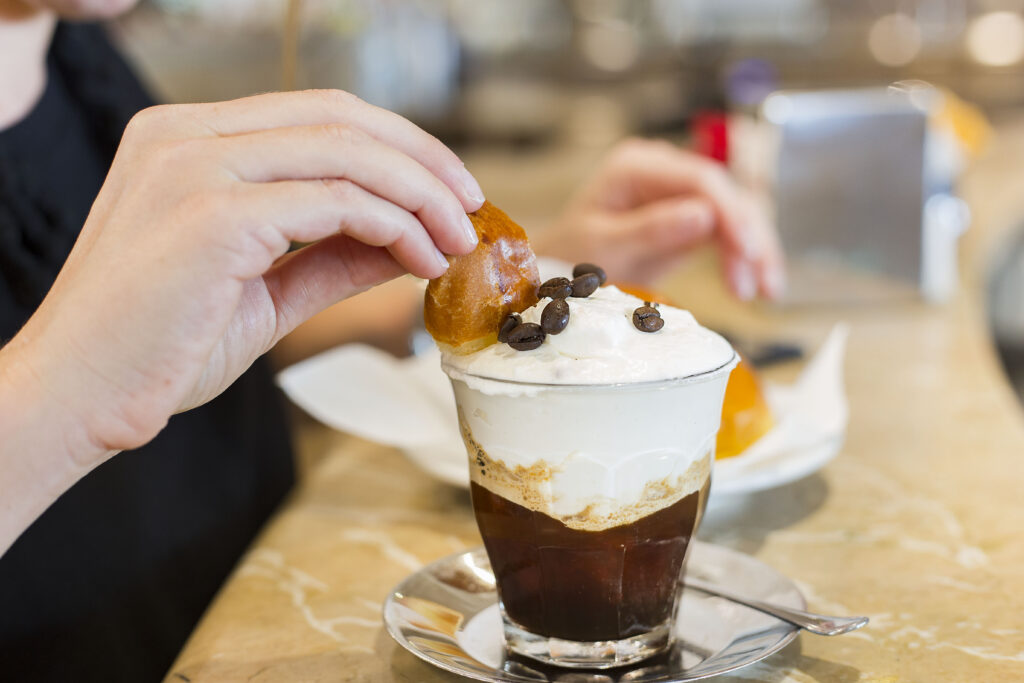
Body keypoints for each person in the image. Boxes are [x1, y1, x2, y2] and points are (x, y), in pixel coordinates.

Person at [0, 1, 783, 680]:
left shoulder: (75, 53)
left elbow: (206, 341)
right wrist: (69, 385)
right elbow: (106, 367)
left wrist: (529, 299)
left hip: (259, 626)